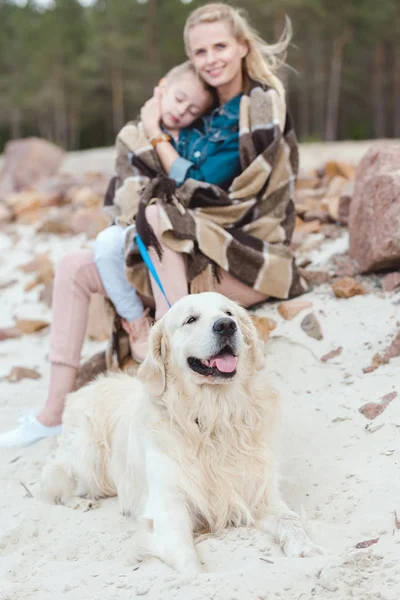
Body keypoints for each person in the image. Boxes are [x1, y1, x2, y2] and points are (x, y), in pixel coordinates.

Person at [0, 2, 305, 449]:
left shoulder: (258, 107)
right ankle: (51, 415)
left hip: (244, 253)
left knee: (160, 214)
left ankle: (171, 348)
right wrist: (155, 127)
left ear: (242, 46)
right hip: (184, 250)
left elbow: (203, 187)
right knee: (72, 267)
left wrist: (154, 131)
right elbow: (141, 184)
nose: (211, 58)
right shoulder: (195, 111)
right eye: (200, 51)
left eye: (221, 45)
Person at [94, 60, 214, 362]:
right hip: (131, 214)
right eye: (179, 99)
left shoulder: (192, 139)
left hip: (170, 219)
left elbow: (189, 180)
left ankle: (174, 319)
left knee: (161, 238)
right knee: (106, 245)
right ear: (162, 88)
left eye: (193, 110)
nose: (182, 111)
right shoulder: (132, 135)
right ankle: (137, 321)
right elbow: (127, 182)